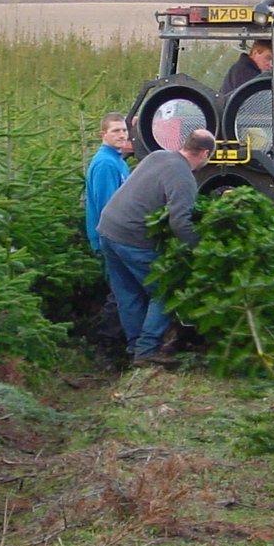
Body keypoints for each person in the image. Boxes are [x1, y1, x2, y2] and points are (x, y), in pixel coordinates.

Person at [96, 127, 216, 367]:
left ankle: (134, 349)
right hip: (133, 238)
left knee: (128, 293)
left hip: (108, 229)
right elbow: (180, 222)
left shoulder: (158, 156)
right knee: (165, 290)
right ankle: (147, 350)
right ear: (204, 153)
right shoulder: (183, 177)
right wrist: (203, 250)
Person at [85, 112, 134, 363]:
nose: (122, 135)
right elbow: (108, 207)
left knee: (122, 291)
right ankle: (105, 349)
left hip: (116, 237)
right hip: (110, 237)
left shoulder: (118, 161)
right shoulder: (105, 164)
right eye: (115, 131)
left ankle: (115, 347)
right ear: (102, 134)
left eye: (124, 130)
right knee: (119, 293)